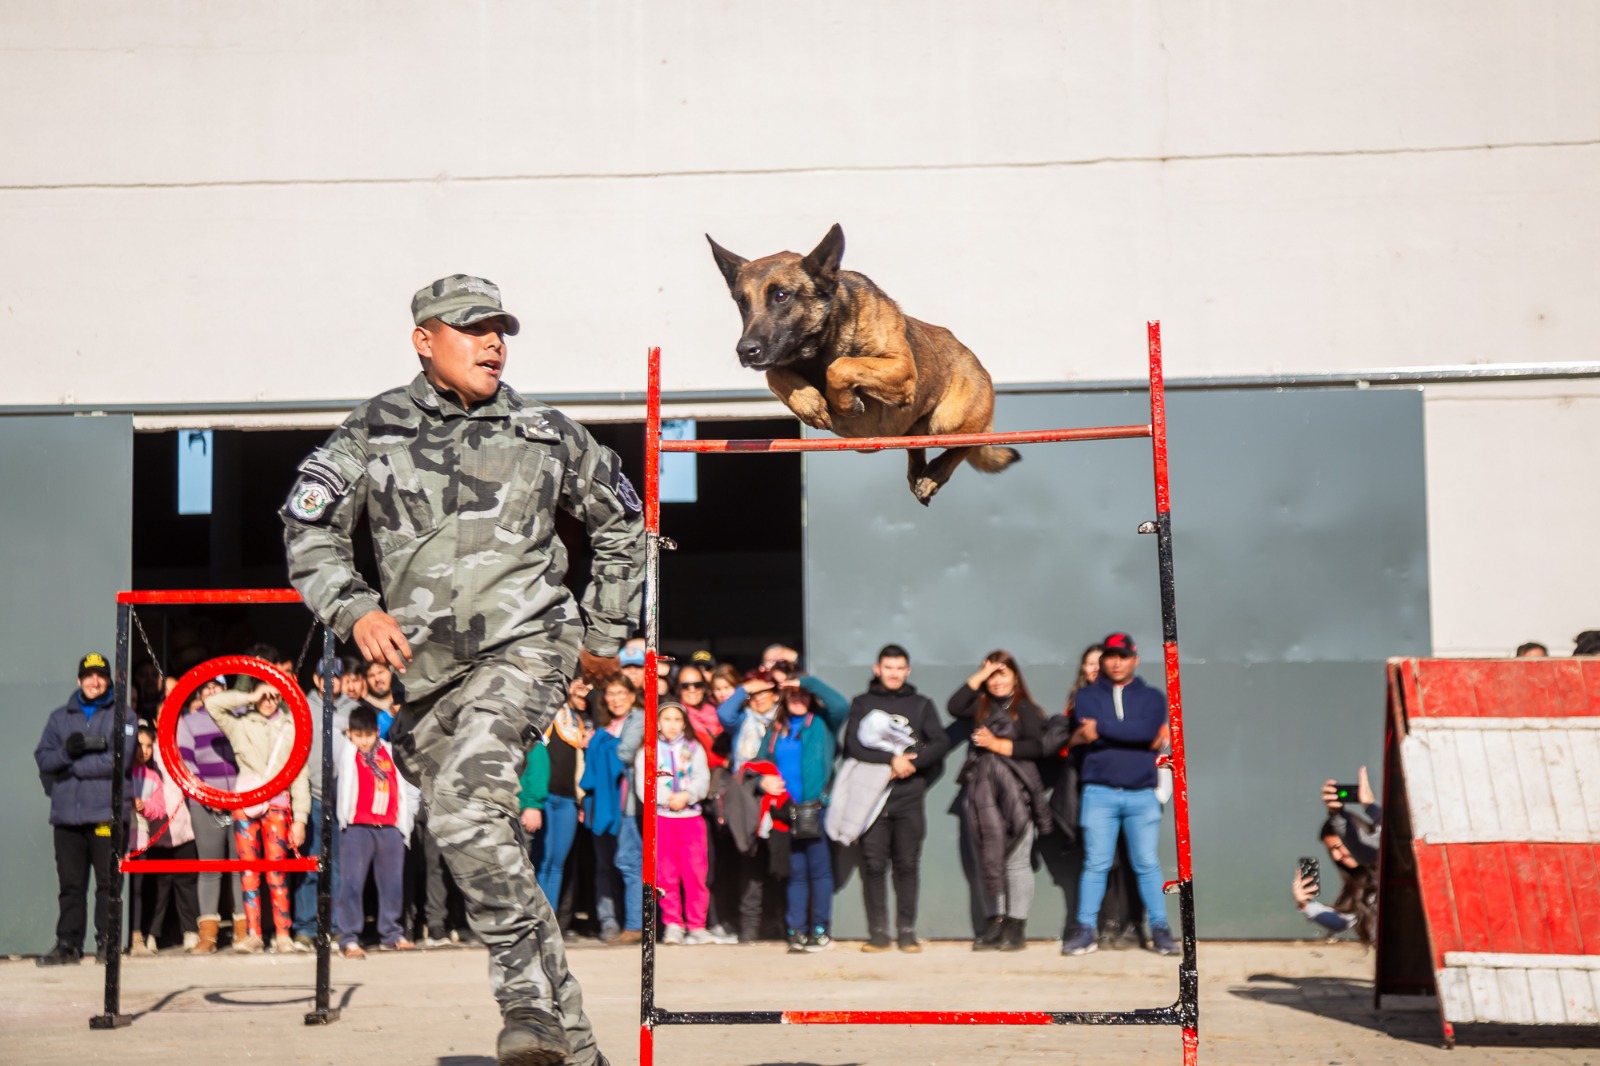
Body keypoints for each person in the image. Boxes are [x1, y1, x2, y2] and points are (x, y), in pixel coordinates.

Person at [283, 273, 643, 1066]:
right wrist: (354, 608)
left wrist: (604, 632)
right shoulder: (371, 429)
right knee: (488, 847)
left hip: (525, 646)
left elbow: (623, 518)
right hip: (422, 678)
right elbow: (307, 532)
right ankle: (574, 1046)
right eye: (472, 328)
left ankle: (523, 1004)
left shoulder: (546, 432)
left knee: (462, 812)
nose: (493, 342)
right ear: (424, 339)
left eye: (500, 328)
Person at [1060, 633, 1176, 958]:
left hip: (1142, 794)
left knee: (1146, 864)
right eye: (1111, 656)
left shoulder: (1152, 697)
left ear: (1134, 659)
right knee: (1095, 863)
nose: (1116, 662)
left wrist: (1103, 729)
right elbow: (1137, 734)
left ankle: (1161, 931)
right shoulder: (1086, 696)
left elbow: (1147, 731)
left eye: (1123, 656)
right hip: (1099, 793)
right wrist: (1135, 734)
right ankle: (1084, 931)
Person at [843, 643, 950, 953]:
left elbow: (940, 742)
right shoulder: (862, 703)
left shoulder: (921, 704)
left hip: (908, 799)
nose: (893, 673)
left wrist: (912, 763)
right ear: (878, 669)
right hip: (871, 800)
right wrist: (892, 759)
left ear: (908, 670)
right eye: (888, 668)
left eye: (899, 668)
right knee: (874, 866)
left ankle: (906, 932)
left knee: (906, 865)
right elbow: (853, 746)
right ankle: (878, 934)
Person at [33, 653, 133, 965]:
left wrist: (72, 765)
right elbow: (44, 759)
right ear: (79, 680)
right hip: (66, 817)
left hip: (106, 814)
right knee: (71, 885)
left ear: (109, 680)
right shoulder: (59, 718)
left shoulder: (123, 716)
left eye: (100, 676)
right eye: (88, 675)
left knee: (108, 883)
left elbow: (119, 762)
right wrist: (67, 752)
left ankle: (107, 943)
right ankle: (68, 945)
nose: (94, 681)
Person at [949, 650, 1052, 951]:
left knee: (1016, 863)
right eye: (991, 675)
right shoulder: (978, 707)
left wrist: (1000, 745)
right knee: (987, 860)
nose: (996, 681)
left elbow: (1040, 746)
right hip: (982, 797)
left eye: (1002, 673)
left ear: (1015, 676)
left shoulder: (1027, 710)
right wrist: (980, 675)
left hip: (1017, 796)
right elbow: (954, 704)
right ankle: (995, 922)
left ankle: (1015, 927)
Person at [205, 682, 311, 954]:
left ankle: (283, 934)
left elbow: (299, 774)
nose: (269, 699)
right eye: (264, 694)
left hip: (277, 805)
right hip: (245, 804)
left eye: (275, 694)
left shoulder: (291, 727)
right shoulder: (240, 725)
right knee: (249, 872)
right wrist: (249, 696)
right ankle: (254, 934)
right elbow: (212, 704)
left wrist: (300, 818)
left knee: (277, 871)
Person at [335, 703, 420, 957]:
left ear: (377, 732)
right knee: (351, 884)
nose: (364, 741)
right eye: (358, 735)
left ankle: (392, 933)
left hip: (389, 828)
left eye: (369, 735)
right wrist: (351, 730)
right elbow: (335, 726)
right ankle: (349, 937)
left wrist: (406, 821)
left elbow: (409, 788)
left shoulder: (391, 753)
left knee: (392, 885)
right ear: (350, 733)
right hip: (357, 827)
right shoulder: (347, 752)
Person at [177, 673, 245, 952]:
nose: (211, 691)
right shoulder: (189, 721)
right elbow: (186, 762)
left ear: (226, 690)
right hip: (206, 804)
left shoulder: (242, 717)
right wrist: (209, 796)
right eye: (206, 688)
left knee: (241, 868)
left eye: (217, 686)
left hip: (243, 801)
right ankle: (208, 935)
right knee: (210, 868)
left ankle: (244, 932)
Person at [637, 702, 715, 945]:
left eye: (676, 720)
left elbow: (703, 777)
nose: (671, 725)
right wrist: (665, 798)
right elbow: (643, 784)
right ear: (657, 722)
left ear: (684, 723)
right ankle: (673, 924)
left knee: (695, 873)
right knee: (665, 874)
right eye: (666, 719)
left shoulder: (694, 748)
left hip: (690, 818)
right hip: (662, 818)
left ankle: (697, 925)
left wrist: (688, 795)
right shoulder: (648, 750)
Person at [290, 659, 353, 951]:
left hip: (343, 800)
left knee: (339, 868)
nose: (331, 682)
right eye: (326, 677)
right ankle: (304, 928)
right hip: (312, 795)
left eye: (336, 677)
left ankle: (338, 928)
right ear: (316, 679)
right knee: (308, 864)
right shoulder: (301, 705)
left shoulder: (354, 709)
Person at [521, 676, 591, 928]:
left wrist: (581, 799)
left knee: (557, 863)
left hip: (568, 800)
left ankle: (549, 920)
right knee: (541, 859)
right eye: (579, 685)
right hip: (545, 799)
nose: (585, 691)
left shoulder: (577, 722)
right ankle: (536, 919)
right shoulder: (545, 715)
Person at [583, 674, 645, 945]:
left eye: (622, 693)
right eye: (611, 694)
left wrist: (597, 742)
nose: (616, 699)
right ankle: (608, 922)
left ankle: (634, 925)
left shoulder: (639, 719)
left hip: (626, 805)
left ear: (632, 695)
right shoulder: (604, 725)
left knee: (629, 864)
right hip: (600, 804)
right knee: (604, 867)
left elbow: (625, 754)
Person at [127, 722, 199, 954]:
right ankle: (148, 933)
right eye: (140, 745)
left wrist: (144, 807)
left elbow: (158, 806)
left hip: (175, 829)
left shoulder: (159, 770)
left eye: (148, 745)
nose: (144, 750)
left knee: (184, 882)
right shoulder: (127, 771)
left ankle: (188, 930)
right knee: (155, 888)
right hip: (146, 838)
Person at [1292, 820, 1377, 943]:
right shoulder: (1360, 880)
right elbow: (1342, 921)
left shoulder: (1387, 872)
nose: (1336, 856)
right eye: (1331, 850)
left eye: (1338, 847)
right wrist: (1305, 903)